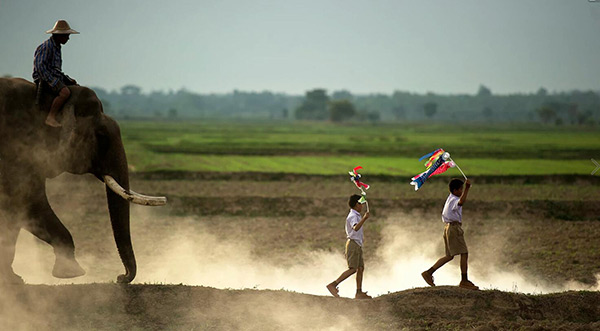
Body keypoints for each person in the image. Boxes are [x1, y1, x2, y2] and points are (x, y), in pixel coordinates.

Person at [421, 178, 479, 290]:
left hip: (448, 228)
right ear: (455, 190)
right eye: (460, 189)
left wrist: (465, 188)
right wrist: (467, 189)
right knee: (464, 253)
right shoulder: (454, 200)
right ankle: (464, 280)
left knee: (449, 256)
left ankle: (429, 272)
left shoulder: (450, 197)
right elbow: (461, 202)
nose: (461, 191)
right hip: (454, 228)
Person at [33, 20, 79, 127]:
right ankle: (51, 117)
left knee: (73, 85)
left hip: (52, 76)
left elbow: (56, 69)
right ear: (59, 35)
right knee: (65, 93)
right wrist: (52, 81)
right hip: (43, 77)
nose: (68, 38)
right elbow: (40, 67)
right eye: (66, 35)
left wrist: (66, 79)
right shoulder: (47, 46)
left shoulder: (57, 47)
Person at [326, 194, 372, 299]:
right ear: (356, 204)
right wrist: (364, 218)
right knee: (353, 269)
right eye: (361, 204)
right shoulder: (353, 216)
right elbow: (355, 228)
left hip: (357, 244)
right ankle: (333, 285)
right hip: (353, 244)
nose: (362, 206)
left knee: (360, 268)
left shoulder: (356, 215)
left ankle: (359, 292)